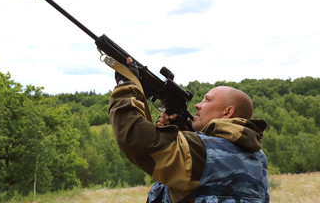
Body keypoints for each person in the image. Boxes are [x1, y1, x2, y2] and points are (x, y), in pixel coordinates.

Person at [108, 58, 270, 203]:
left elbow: (136, 138)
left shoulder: (202, 152)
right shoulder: (258, 158)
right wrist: (181, 132)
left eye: (207, 100)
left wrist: (126, 85)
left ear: (227, 112)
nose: (198, 105)